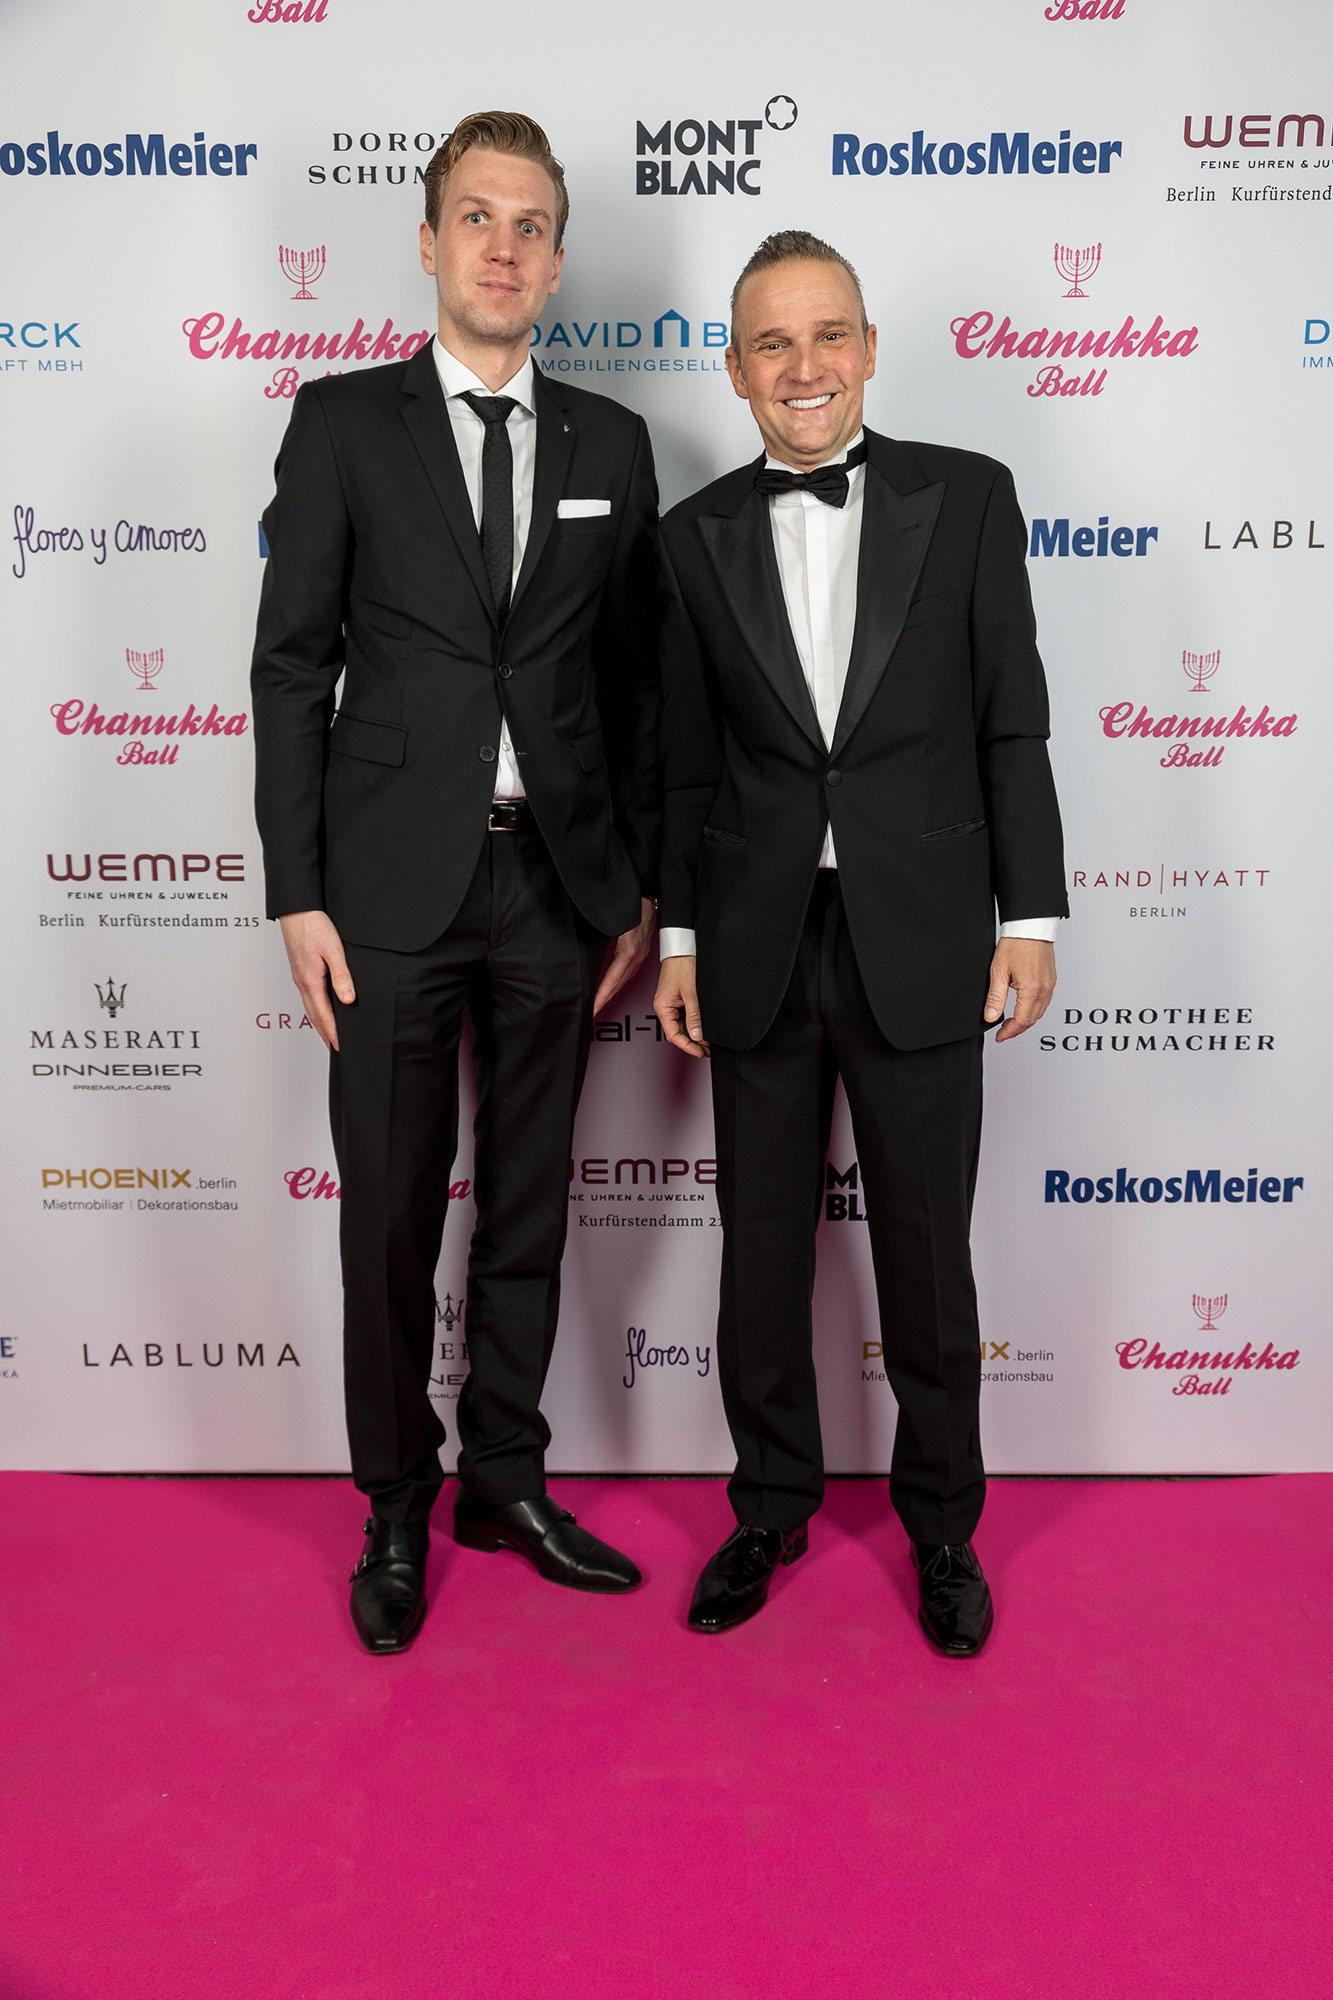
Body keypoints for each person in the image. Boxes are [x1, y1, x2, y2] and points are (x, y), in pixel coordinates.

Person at [252, 112, 659, 1653]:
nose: (502, 246)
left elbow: (635, 688)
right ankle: (392, 1504)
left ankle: (504, 1478)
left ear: (556, 262)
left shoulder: (612, 444)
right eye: (476, 218)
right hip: (384, 895)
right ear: (429, 243)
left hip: (557, 887)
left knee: (529, 1205)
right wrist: (297, 891)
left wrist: (634, 887)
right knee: (386, 1216)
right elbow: (291, 667)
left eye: (529, 224)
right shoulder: (342, 423)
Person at [653, 231, 1067, 1654]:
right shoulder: (689, 538)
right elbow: (684, 768)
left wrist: (1028, 916)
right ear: (734, 369)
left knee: (927, 1259)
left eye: (828, 334)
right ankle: (768, 1505)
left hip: (926, 933)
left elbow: (1012, 719)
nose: (804, 367)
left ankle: (943, 1528)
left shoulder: (968, 498)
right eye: (771, 343)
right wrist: (682, 939)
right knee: (760, 1254)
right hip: (758, 941)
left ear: (871, 347)